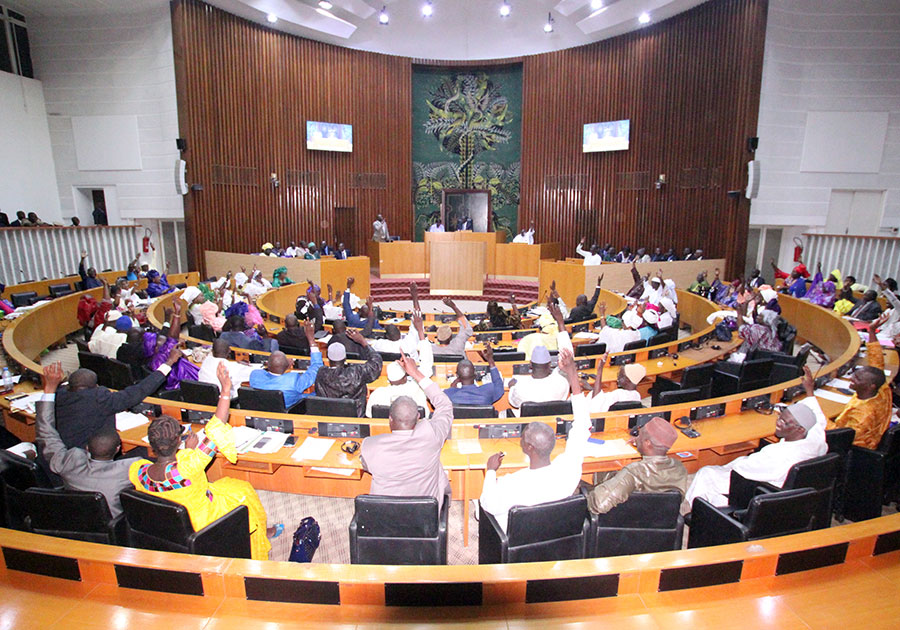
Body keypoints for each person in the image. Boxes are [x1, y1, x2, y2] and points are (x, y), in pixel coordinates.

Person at [130, 363, 280, 560]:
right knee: (242, 491)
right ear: (178, 440)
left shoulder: (137, 470)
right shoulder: (189, 466)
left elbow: (172, 471)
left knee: (229, 487)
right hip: (203, 519)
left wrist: (188, 451)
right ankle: (262, 534)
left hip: (171, 521)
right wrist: (225, 390)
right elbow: (217, 428)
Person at [480, 348, 589, 532]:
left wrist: (491, 472)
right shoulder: (570, 468)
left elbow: (487, 505)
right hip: (557, 536)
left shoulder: (511, 483)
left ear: (528, 447)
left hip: (518, 541)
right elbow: (583, 424)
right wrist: (572, 374)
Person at [685, 367, 826, 508]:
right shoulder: (816, 437)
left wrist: (731, 464)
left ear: (800, 429)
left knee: (707, 473)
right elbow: (819, 418)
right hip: (784, 488)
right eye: (780, 417)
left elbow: (740, 471)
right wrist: (809, 391)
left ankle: (694, 510)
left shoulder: (776, 455)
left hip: (757, 492)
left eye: (784, 422)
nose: (778, 423)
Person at [36, 362, 133, 517]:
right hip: (117, 526)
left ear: (86, 448)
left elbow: (45, 431)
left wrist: (49, 389)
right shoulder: (128, 470)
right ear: (118, 449)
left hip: (75, 518)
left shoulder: (66, 462)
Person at [360, 353, 454, 507]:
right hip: (426, 517)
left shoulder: (370, 446)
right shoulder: (432, 435)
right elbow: (445, 405)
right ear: (418, 417)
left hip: (385, 518)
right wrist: (415, 373)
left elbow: (365, 464)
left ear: (390, 418)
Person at [54, 346, 179, 449]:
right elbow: (140, 390)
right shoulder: (100, 399)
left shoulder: (59, 394)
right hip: (86, 454)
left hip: (60, 448)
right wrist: (169, 362)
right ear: (95, 386)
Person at [586, 417, 687, 514]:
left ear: (647, 443)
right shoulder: (680, 468)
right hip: (660, 522)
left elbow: (599, 505)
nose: (636, 437)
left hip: (623, 521)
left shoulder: (633, 472)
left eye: (639, 435)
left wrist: (586, 495)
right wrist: (641, 443)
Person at [827, 322, 891, 449]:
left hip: (854, 451)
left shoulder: (863, 414)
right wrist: (871, 331)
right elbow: (876, 361)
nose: (851, 378)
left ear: (870, 386)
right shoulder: (882, 389)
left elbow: (840, 437)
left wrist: (815, 411)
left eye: (857, 378)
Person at [249, 327, 322, 409]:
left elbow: (267, 370)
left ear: (267, 364)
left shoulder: (255, 375)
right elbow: (317, 367)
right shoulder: (294, 380)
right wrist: (311, 339)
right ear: (287, 366)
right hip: (293, 411)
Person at [315, 328, 383, 416]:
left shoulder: (321, 373)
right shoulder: (357, 372)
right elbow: (376, 364)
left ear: (328, 357)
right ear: (344, 358)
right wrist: (363, 342)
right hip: (356, 419)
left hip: (329, 418)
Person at [507, 344, 570, 415]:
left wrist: (512, 386)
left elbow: (514, 403)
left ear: (530, 364)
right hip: (553, 421)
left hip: (528, 423)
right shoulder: (562, 382)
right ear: (550, 364)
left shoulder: (520, 386)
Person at [365, 360, 429, 418]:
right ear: (405, 377)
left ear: (389, 380)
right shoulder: (417, 391)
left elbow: (369, 415)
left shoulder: (377, 393)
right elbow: (426, 415)